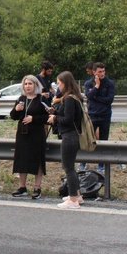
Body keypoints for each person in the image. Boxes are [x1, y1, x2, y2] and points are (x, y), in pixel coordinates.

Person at [10, 75, 50, 199]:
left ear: (36, 85)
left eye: (30, 84)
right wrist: (16, 109)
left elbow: (47, 118)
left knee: (37, 160)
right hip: (22, 134)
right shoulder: (21, 99)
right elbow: (13, 116)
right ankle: (22, 187)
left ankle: (37, 188)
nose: (27, 86)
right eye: (25, 84)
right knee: (22, 159)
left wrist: (34, 118)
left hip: (37, 134)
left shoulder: (41, 99)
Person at [47, 71, 83, 209]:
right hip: (73, 136)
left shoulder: (68, 99)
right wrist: (55, 112)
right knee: (71, 167)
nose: (58, 86)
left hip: (69, 136)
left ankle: (73, 200)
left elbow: (68, 120)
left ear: (66, 83)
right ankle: (77, 195)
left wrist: (55, 118)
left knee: (68, 168)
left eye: (59, 83)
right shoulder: (75, 97)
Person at [84, 62, 115, 173]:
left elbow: (109, 100)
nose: (102, 73)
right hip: (92, 115)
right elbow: (89, 96)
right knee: (88, 139)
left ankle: (101, 165)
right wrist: (96, 87)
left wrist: (96, 97)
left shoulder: (110, 83)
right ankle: (83, 162)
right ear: (94, 72)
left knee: (104, 140)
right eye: (99, 71)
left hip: (105, 115)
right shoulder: (89, 83)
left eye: (103, 71)